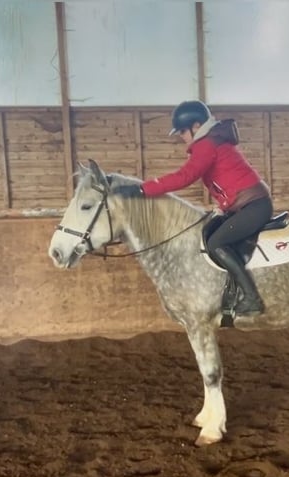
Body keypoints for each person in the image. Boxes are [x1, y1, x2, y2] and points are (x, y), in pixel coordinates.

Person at [116, 100, 273, 316]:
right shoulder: (213, 141)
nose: (181, 136)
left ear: (196, 126)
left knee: (217, 242)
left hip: (253, 206)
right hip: (244, 206)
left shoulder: (207, 144)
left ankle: (252, 299)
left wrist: (143, 190)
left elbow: (185, 177)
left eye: (182, 131)